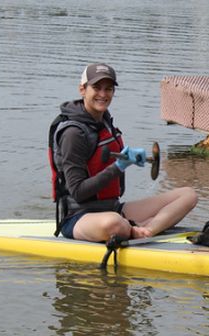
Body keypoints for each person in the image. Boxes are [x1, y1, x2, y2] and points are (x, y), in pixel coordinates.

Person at [49, 63, 197, 242]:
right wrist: (119, 166)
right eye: (96, 88)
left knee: (188, 195)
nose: (103, 95)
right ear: (82, 89)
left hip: (113, 208)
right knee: (114, 224)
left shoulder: (104, 120)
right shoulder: (73, 134)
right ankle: (135, 227)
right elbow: (78, 192)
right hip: (79, 217)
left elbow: (103, 158)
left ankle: (146, 230)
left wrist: (129, 157)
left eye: (108, 89)